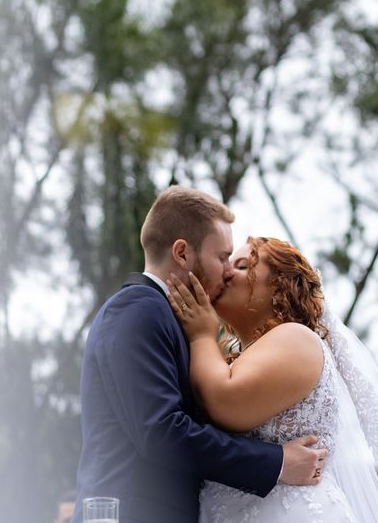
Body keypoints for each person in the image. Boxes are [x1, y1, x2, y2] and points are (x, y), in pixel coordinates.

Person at [167, 236, 378, 522]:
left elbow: (226, 401)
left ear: (280, 285)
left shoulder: (296, 339)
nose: (226, 272)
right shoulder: (254, 353)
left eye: (243, 265)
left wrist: (201, 336)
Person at [72, 187, 326, 523]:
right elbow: (162, 431)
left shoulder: (175, 320)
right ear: (181, 253)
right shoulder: (138, 309)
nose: (226, 272)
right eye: (222, 257)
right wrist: (276, 462)